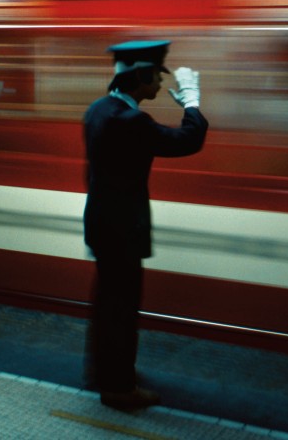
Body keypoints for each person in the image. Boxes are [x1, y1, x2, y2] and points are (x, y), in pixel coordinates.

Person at [83, 40, 208, 410]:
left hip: (103, 224)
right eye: (155, 77)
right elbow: (188, 140)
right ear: (140, 76)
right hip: (123, 230)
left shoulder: (97, 110)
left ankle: (103, 373)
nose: (158, 84)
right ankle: (119, 388)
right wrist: (191, 99)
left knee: (107, 306)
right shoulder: (131, 121)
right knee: (121, 309)